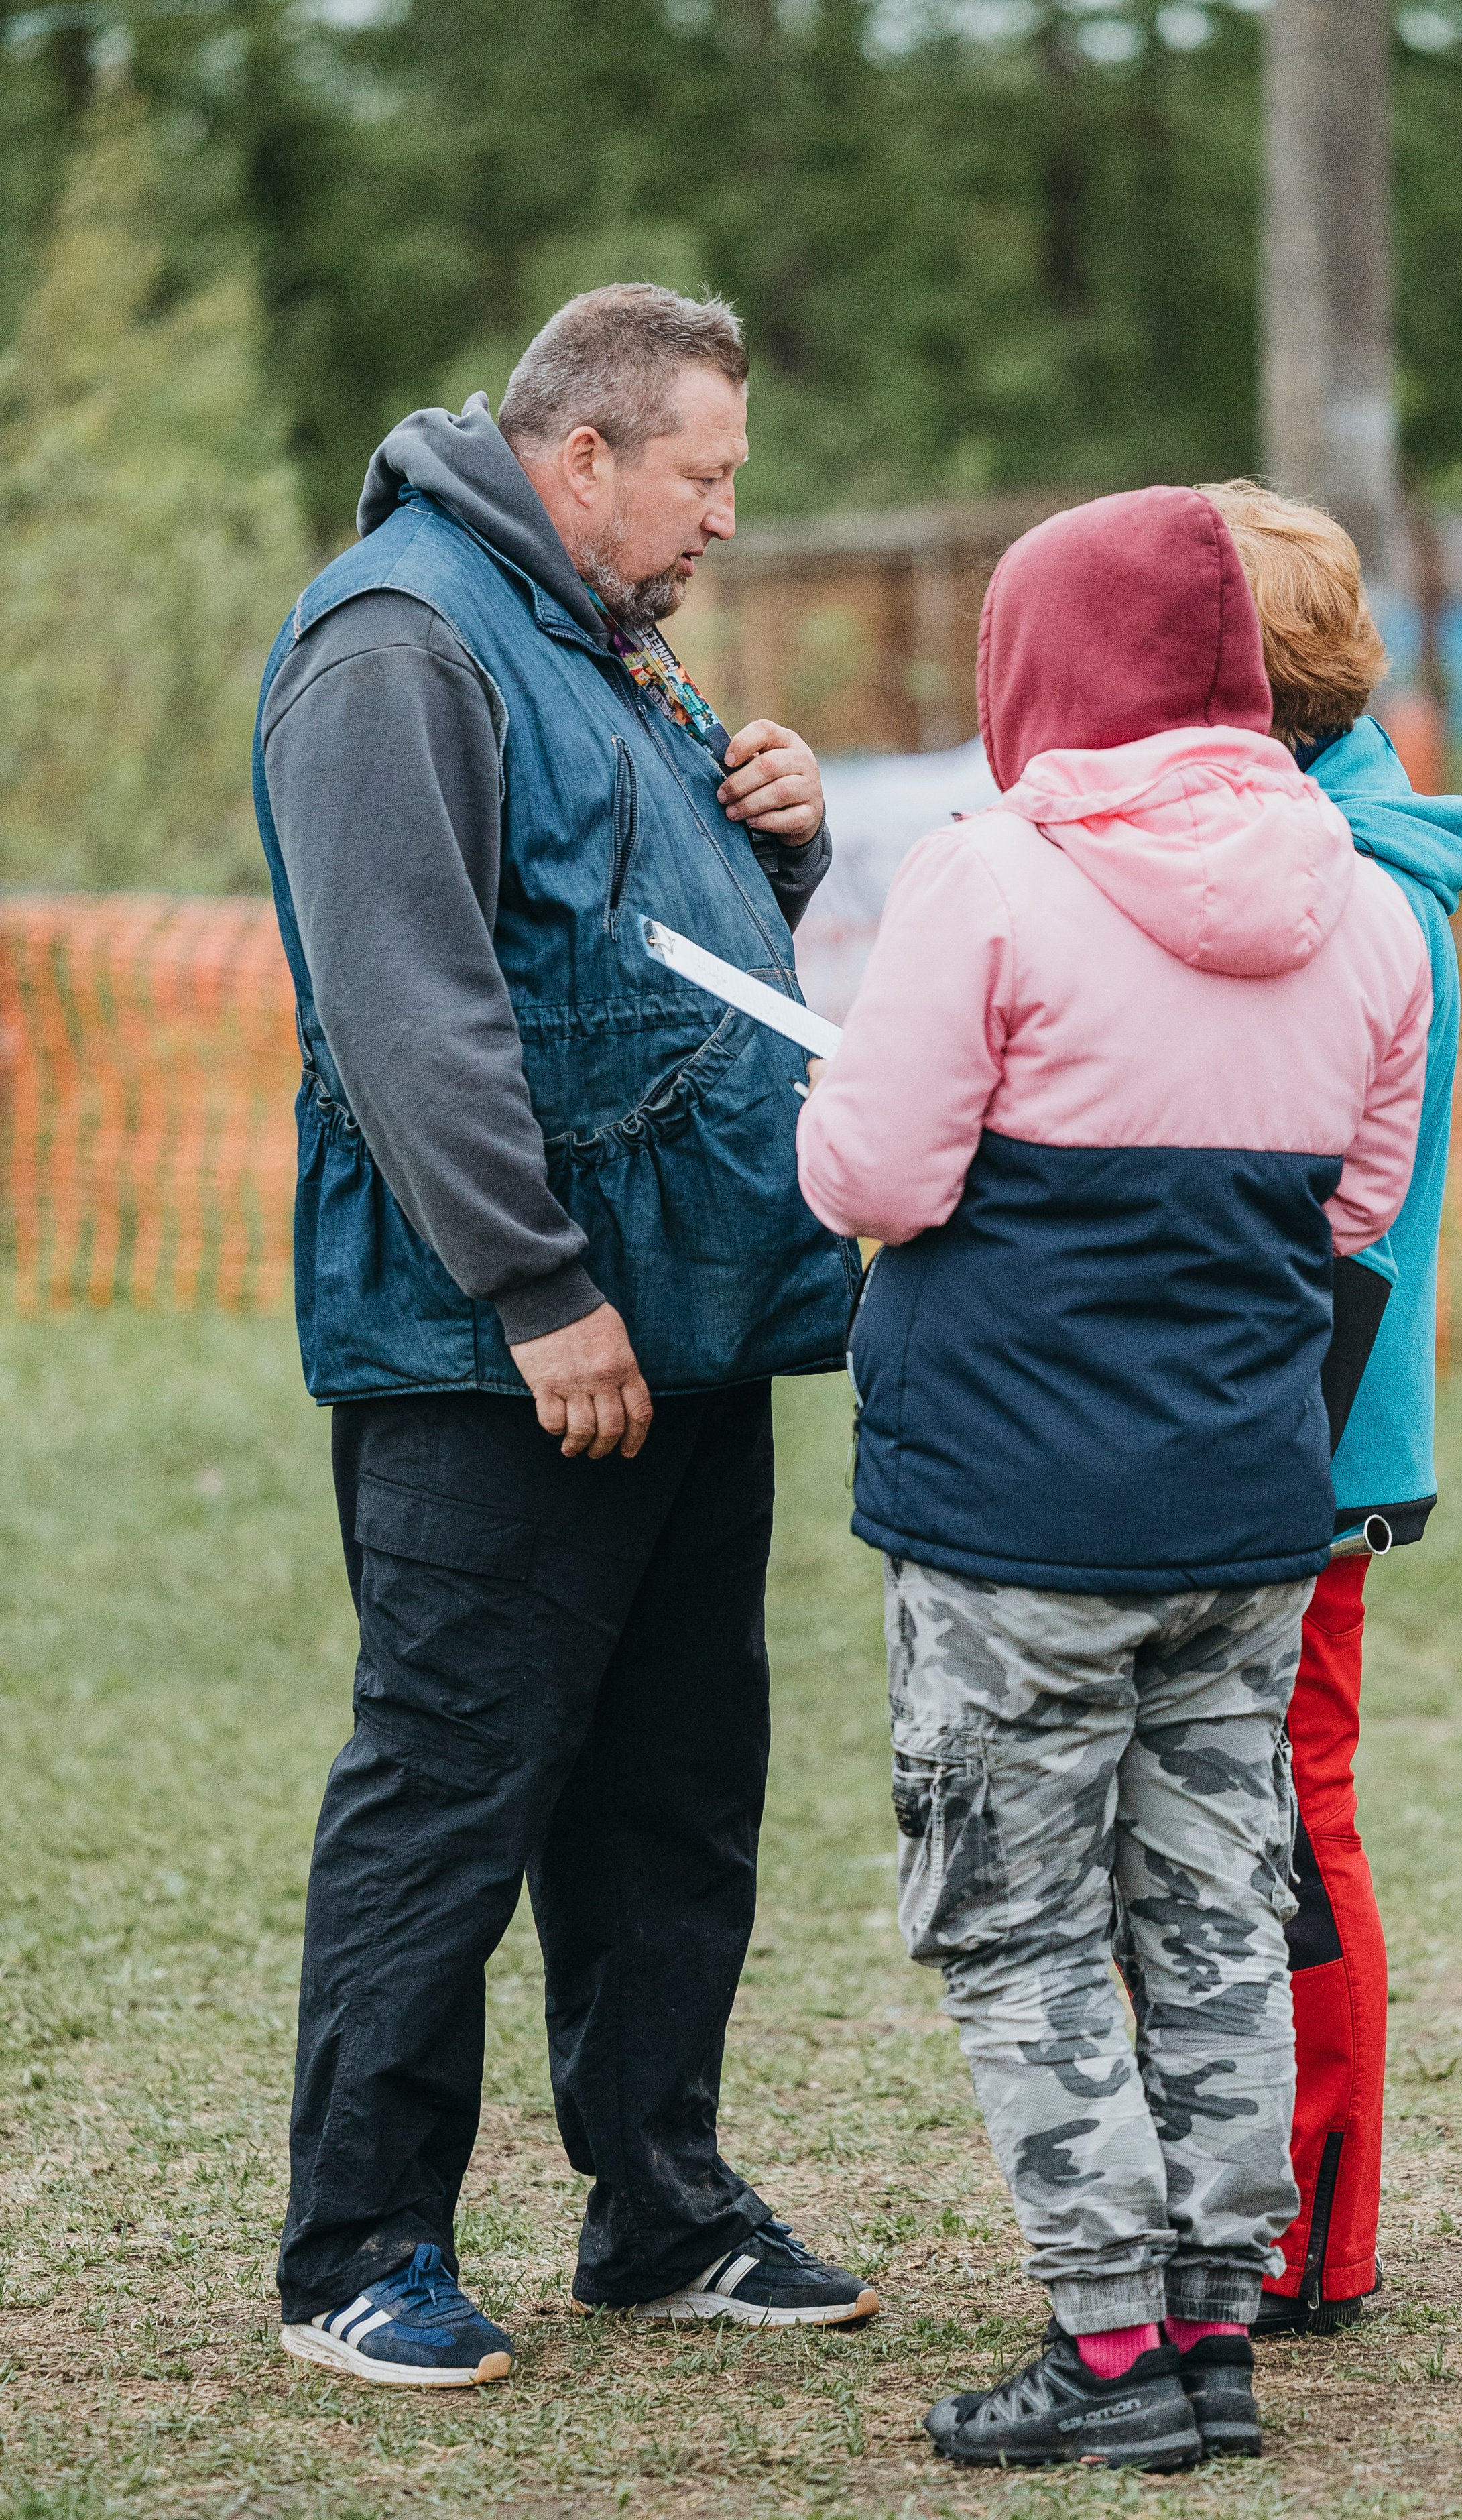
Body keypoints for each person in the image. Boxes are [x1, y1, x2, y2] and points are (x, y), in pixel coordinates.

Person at [253, 284, 877, 2389]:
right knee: (451, 1785)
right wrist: (535, 1283)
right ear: (583, 454)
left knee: (674, 1791)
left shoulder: (602, 635)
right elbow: (405, 1002)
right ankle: (360, 2249)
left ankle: (662, 2210)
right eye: (706, 473)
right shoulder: (397, 641)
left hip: (688, 1318)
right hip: (497, 1346)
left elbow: (632, 952)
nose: (725, 517)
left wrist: (782, 841)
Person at [796, 487, 1431, 2469]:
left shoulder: (988, 877)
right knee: (1218, 1915)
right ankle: (1215, 2330)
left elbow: (869, 1173)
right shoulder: (1363, 902)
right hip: (1246, 1510)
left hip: (1010, 1518)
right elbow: (1354, 1207)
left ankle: (1104, 2347)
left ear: (1039, 661)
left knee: (1021, 1923)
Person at [1201, 481, 1462, 2336]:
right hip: (1270, 1422)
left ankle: (1314, 2224)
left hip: (1301, 1433)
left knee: (1290, 1817)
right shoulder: (1320, 850)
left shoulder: (1357, 889)